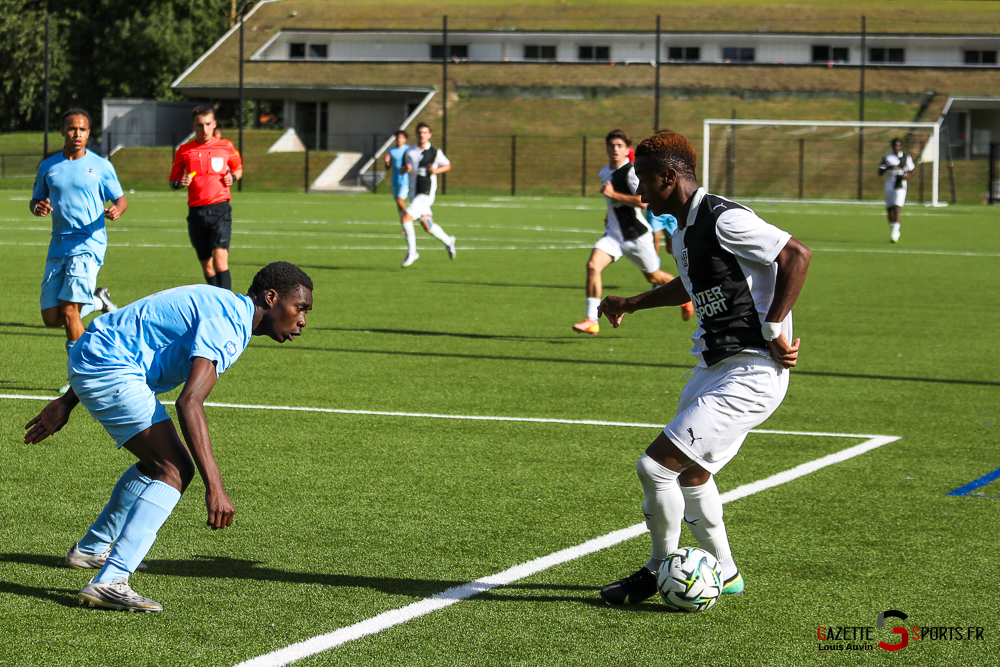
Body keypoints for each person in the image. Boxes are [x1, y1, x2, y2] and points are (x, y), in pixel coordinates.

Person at [596, 130, 811, 605]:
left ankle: (657, 570)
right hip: (713, 366)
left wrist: (775, 327)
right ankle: (727, 572)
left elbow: (796, 255)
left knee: (654, 469)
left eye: (646, 182)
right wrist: (631, 302)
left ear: (669, 177)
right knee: (692, 475)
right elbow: (691, 286)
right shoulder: (683, 229)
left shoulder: (724, 216)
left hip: (752, 372)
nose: (643, 192)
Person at [23, 262, 314, 612]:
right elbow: (189, 402)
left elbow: (130, 333)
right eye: (300, 308)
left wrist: (70, 400)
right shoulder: (230, 323)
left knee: (157, 463)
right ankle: (111, 579)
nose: (302, 320)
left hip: (96, 355)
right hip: (109, 365)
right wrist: (215, 486)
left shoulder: (226, 307)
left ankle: (91, 549)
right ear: (271, 297)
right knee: (175, 469)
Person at [30, 108, 126, 394]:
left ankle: (81, 379)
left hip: (88, 243)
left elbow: (120, 199)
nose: (77, 134)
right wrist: (39, 207)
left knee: (70, 312)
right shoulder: (49, 166)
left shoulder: (101, 165)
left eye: (83, 129)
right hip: (58, 243)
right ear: (62, 131)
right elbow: (36, 198)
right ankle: (98, 302)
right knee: (51, 317)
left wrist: (117, 210)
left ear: (88, 132)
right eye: (72, 129)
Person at [572, 129, 690, 336]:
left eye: (619, 146)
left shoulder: (630, 172)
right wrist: (610, 214)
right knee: (592, 266)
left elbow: (643, 201)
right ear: (607, 149)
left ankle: (686, 297)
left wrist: (613, 195)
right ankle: (592, 320)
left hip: (636, 236)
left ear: (627, 149)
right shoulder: (604, 172)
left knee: (655, 276)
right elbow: (614, 203)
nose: (615, 150)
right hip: (614, 236)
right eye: (611, 146)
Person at [169, 107, 243, 290]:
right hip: (197, 213)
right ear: (193, 126)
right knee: (207, 266)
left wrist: (232, 177)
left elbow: (238, 168)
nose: (205, 129)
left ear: (214, 124)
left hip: (220, 209)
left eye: (208, 124)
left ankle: (227, 304)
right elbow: (173, 180)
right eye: (200, 125)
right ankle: (216, 297)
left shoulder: (226, 146)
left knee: (220, 260)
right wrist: (180, 183)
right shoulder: (184, 150)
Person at [399, 122, 456, 267]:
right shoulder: (409, 152)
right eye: (419, 132)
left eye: (425, 132)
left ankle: (412, 252)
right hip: (414, 193)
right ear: (416, 134)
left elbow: (448, 165)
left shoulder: (435, 152)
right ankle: (449, 241)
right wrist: (405, 168)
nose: (422, 135)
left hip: (426, 193)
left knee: (406, 217)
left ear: (429, 135)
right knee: (427, 224)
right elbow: (400, 170)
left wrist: (436, 171)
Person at [878, 138, 915, 244]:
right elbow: (880, 172)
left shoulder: (906, 157)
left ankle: (894, 234)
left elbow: (912, 170)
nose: (897, 147)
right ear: (892, 146)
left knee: (897, 207)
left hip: (900, 185)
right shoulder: (887, 158)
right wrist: (888, 167)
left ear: (901, 146)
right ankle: (895, 230)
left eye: (898, 145)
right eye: (895, 145)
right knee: (890, 211)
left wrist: (907, 176)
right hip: (889, 186)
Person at [384, 130, 410, 220]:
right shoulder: (391, 150)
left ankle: (409, 217)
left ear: (405, 139)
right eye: (397, 137)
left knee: (400, 200)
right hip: (395, 181)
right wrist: (387, 162)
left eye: (401, 137)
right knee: (398, 204)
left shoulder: (408, 150)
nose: (399, 139)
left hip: (405, 180)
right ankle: (404, 223)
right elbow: (388, 168)